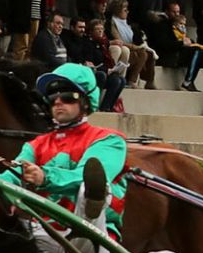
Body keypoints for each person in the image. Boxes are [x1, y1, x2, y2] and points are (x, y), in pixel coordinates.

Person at [12, 63, 128, 239]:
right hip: (40, 230)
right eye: (52, 98)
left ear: (86, 101)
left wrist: (44, 177)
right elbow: (12, 174)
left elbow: (86, 177)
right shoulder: (34, 145)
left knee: (90, 187)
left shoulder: (109, 140)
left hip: (92, 236)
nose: (58, 102)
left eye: (67, 96)